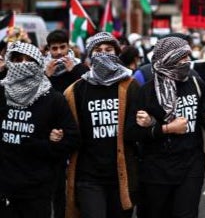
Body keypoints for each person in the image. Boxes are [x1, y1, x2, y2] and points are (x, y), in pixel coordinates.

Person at [125, 36, 205, 218]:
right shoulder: (146, 91)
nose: (186, 61)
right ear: (168, 58)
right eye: (181, 57)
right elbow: (132, 132)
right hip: (155, 170)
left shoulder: (195, 83)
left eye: (188, 56)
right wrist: (165, 128)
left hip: (190, 165)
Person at [0, 41, 80, 218]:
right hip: (4, 187)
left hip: (37, 189)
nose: (23, 65)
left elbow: (72, 139)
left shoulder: (53, 99)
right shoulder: (1, 93)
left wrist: (47, 144)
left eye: (29, 60)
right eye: (18, 60)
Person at [64, 32, 139, 218]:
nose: (103, 54)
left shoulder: (130, 86)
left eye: (108, 49)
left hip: (122, 176)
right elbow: (69, 130)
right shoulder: (76, 90)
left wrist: (150, 121)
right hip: (89, 176)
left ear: (116, 53)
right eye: (98, 50)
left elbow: (138, 129)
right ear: (90, 55)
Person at [44, 29, 89, 218]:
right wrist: (46, 75)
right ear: (49, 50)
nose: (59, 52)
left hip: (76, 131)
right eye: (55, 49)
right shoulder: (43, 69)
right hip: (53, 134)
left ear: (68, 47)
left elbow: (87, 93)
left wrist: (75, 71)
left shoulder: (80, 68)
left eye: (63, 47)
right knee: (56, 188)